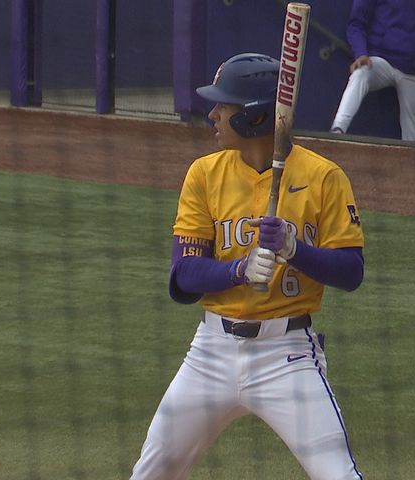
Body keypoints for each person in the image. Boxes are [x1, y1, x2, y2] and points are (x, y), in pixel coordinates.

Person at [130, 53, 366, 480]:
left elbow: (351, 272)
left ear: (253, 117)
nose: (213, 115)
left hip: (287, 356)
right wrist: (237, 271)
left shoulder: (324, 177)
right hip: (210, 355)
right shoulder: (204, 174)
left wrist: (294, 249)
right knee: (151, 473)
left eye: (224, 106)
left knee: (339, 475)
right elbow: (182, 278)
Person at [330, 0, 415, 141]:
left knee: (414, 140)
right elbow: (356, 24)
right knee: (361, 72)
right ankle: (338, 129)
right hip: (383, 58)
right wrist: (361, 53)